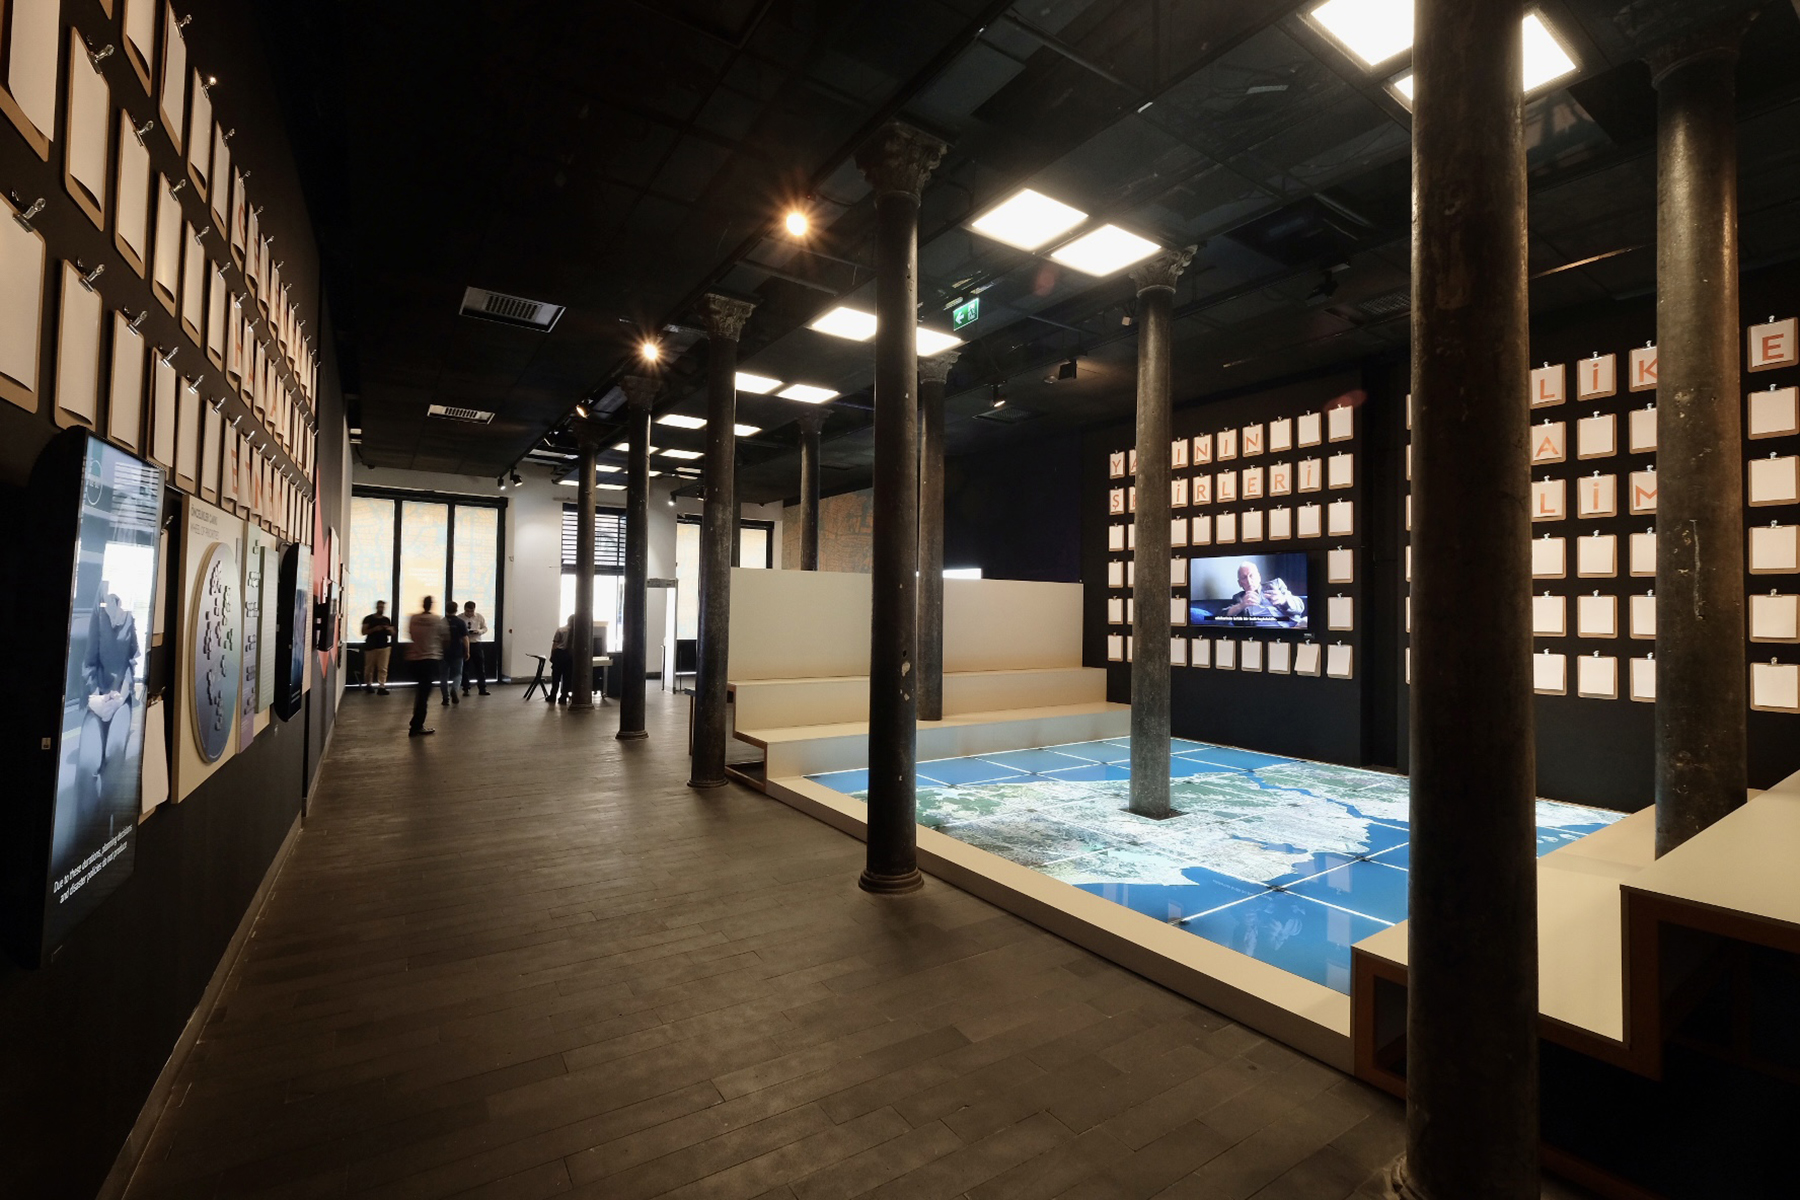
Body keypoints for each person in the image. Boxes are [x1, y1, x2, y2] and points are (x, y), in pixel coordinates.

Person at [76, 588, 139, 830]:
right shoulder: (99, 609)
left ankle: (107, 832)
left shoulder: (130, 614)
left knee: (114, 758)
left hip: (120, 698)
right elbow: (89, 661)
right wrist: (95, 697)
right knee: (87, 766)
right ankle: (90, 834)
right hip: (97, 698)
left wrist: (121, 695)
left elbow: (133, 662)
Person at [1222, 562, 1306, 627]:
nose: (1249, 581)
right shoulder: (1238, 598)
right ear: (1240, 583)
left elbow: (1300, 607)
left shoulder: (1275, 584)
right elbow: (1221, 617)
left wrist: (1283, 600)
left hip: (1294, 625)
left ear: (1259, 577)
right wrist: (1241, 605)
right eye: (1244, 578)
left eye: (1251, 575)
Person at [406, 596, 444, 737]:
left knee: (421, 693)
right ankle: (416, 725)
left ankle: (416, 724)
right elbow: (444, 637)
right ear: (431, 605)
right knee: (423, 694)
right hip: (430, 660)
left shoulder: (414, 618)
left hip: (415, 659)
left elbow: (411, 635)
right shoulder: (436, 620)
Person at [360, 600, 394, 694]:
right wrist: (375, 629)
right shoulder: (368, 619)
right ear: (376, 607)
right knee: (369, 668)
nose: (381, 609)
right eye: (380, 607)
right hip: (371, 646)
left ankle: (381, 686)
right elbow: (363, 632)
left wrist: (389, 629)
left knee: (383, 668)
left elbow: (392, 633)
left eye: (382, 607)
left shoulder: (386, 620)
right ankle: (368, 685)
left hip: (384, 646)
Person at [440, 601, 469, 707]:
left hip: (443, 652)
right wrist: (467, 651)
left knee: (443, 676)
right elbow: (465, 638)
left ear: (446, 609)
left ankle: (445, 698)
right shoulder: (460, 622)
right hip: (457, 651)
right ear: (456, 610)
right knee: (458, 674)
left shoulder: (441, 622)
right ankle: (454, 689)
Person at [461, 601, 490, 696]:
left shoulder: (479, 617)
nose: (469, 613)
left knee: (480, 667)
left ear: (474, 609)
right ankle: (466, 688)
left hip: (476, 643)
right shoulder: (460, 618)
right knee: (465, 667)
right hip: (464, 644)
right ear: (464, 609)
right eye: (467, 611)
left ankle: (482, 688)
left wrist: (479, 631)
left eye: (471, 611)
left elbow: (485, 628)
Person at [548, 615, 574, 705]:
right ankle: (563, 697)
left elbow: (555, 644)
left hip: (559, 654)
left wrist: (552, 655)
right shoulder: (577, 633)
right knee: (567, 677)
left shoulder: (561, 630)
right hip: (570, 655)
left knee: (556, 676)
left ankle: (553, 696)